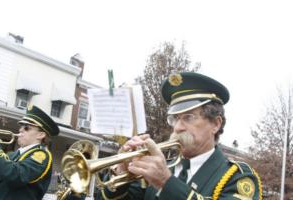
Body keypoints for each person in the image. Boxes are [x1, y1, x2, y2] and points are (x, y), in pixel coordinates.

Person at [99, 72, 262, 199]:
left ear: (215, 124)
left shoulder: (238, 176)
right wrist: (121, 172)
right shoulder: (161, 168)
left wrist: (167, 183)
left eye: (188, 117)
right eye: (174, 118)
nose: (177, 127)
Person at [0, 105, 59, 199]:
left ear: (41, 135)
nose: (20, 130)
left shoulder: (41, 156)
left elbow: (15, 176)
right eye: (21, 126)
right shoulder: (12, 155)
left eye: (27, 128)